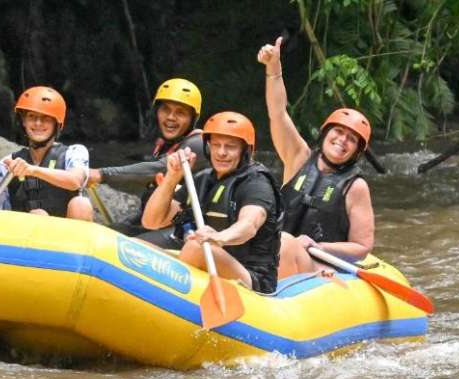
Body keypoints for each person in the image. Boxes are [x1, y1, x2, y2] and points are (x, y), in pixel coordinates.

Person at [257, 37, 376, 278]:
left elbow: (362, 247)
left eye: (351, 139)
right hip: (276, 255)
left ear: (356, 151)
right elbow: (278, 113)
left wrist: (317, 247)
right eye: (338, 132)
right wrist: (274, 70)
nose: (342, 140)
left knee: (289, 244)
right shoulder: (298, 157)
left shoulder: (356, 187)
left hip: (318, 264)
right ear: (325, 133)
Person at [141, 111, 281, 293]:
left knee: (196, 247)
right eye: (216, 145)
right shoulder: (202, 180)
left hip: (252, 278)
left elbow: (250, 224)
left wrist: (219, 238)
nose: (222, 152)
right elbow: (151, 221)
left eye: (230, 147)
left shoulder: (257, 183)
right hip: (207, 261)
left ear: (245, 150)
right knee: (141, 248)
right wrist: (172, 177)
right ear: (208, 148)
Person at [88, 77, 210, 248]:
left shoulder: (198, 144)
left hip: (186, 230)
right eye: (165, 110)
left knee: (121, 244)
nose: (171, 118)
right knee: (105, 233)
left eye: (180, 112)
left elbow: (157, 168)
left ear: (193, 118)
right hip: (158, 223)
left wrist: (101, 174)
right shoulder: (165, 145)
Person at [0, 86, 93, 220]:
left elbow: (75, 181)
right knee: (37, 215)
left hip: (64, 235)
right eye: (32, 117)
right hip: (23, 234)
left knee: (81, 204)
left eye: (46, 118)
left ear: (57, 124)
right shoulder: (8, 163)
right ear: (24, 122)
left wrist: (32, 170)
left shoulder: (74, 152)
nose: (38, 123)